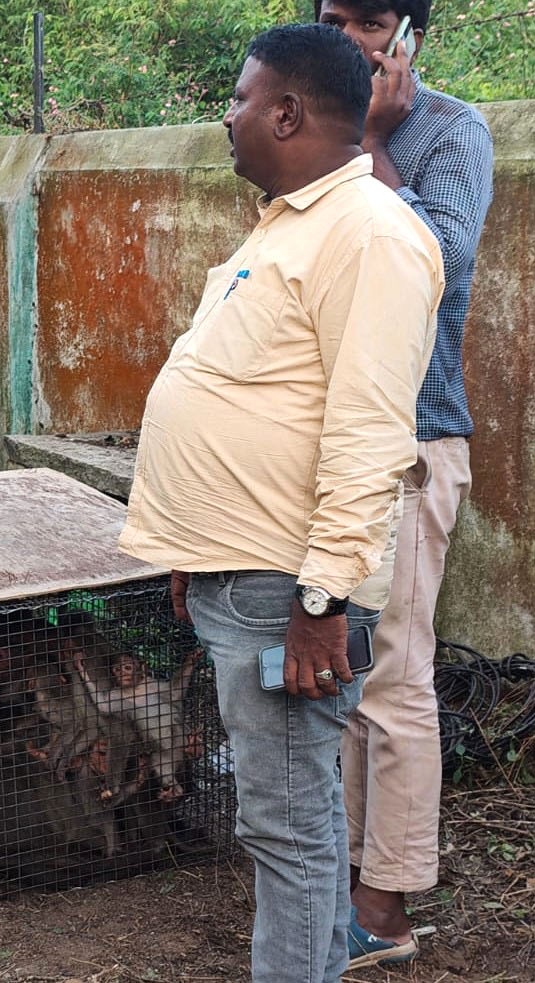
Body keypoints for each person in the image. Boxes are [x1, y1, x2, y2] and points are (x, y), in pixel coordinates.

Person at [117, 25, 445, 983]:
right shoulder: (290, 225)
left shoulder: (372, 235)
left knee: (291, 829)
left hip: (290, 592)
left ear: (287, 112)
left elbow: (368, 434)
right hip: (242, 573)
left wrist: (318, 606)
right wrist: (190, 545)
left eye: (238, 97)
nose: (226, 115)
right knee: (276, 822)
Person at [312, 0, 496, 968]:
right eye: (329, 14)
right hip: (334, 439)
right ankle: (347, 874)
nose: (344, 34)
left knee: (394, 675)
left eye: (367, 17)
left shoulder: (450, 131)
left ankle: (384, 909)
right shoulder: (312, 121)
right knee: (341, 668)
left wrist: (376, 141)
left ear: (410, 33)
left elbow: (439, 260)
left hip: (414, 438)